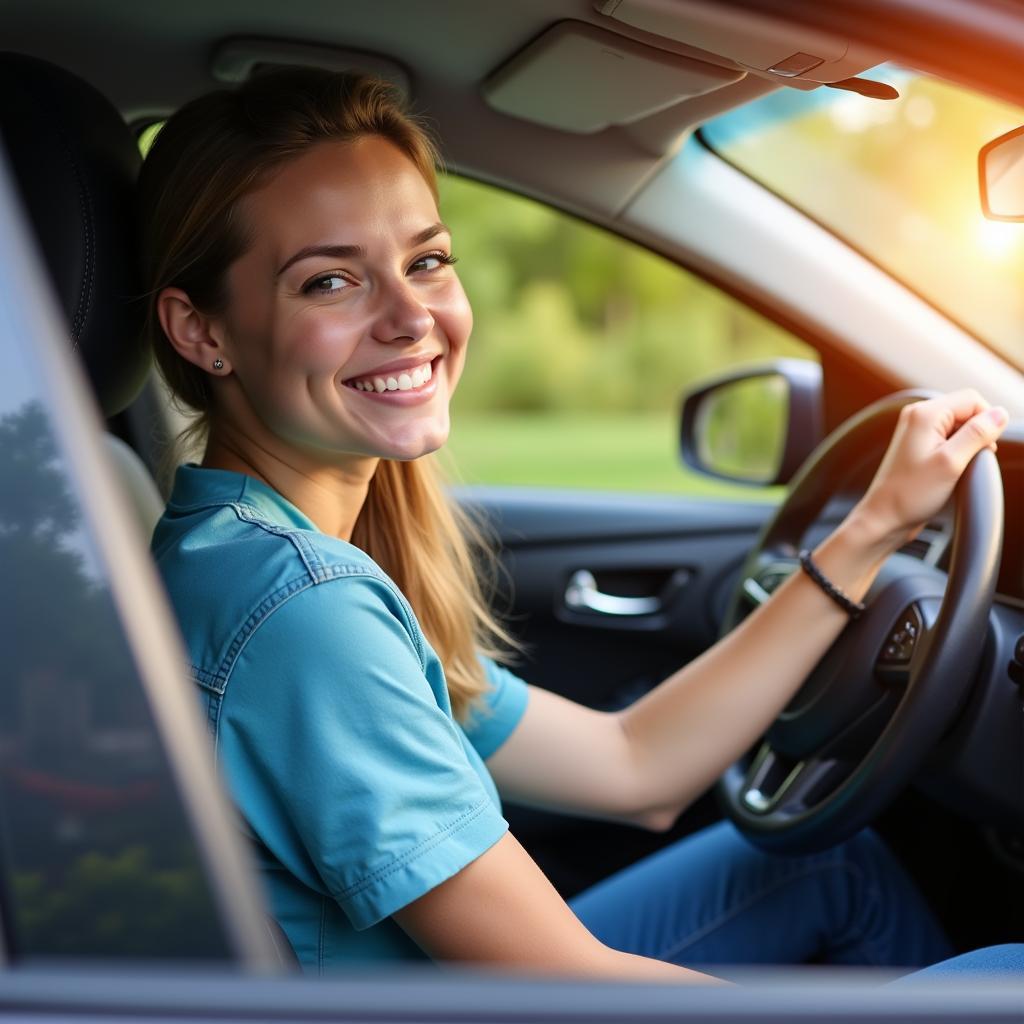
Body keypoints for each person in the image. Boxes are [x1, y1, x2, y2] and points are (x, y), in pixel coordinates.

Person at [140, 68, 1008, 980]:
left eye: (427, 260)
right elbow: (563, 987)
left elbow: (633, 766)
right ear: (202, 332)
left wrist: (871, 530)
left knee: (830, 866)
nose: (411, 318)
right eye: (329, 281)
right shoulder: (302, 614)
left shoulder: (243, 549)